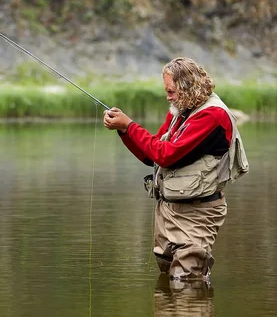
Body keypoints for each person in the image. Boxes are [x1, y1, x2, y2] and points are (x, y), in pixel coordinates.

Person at [103, 57, 249, 281]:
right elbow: (151, 155)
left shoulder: (212, 115)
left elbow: (166, 154)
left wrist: (129, 125)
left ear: (188, 88)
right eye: (167, 91)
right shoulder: (181, 111)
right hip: (168, 210)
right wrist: (124, 131)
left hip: (197, 214)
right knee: (169, 278)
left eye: (171, 91)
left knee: (187, 281)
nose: (168, 97)